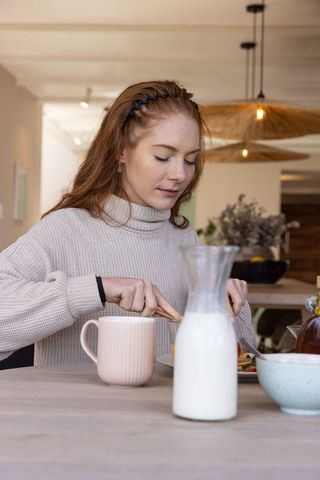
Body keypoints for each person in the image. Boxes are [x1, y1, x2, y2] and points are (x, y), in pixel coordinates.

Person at [0, 80, 255, 366]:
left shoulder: (184, 238)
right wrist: (96, 289)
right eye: (163, 156)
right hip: (75, 411)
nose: (180, 174)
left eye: (190, 160)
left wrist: (226, 307)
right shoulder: (64, 229)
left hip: (164, 410)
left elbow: (242, 358)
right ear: (121, 150)